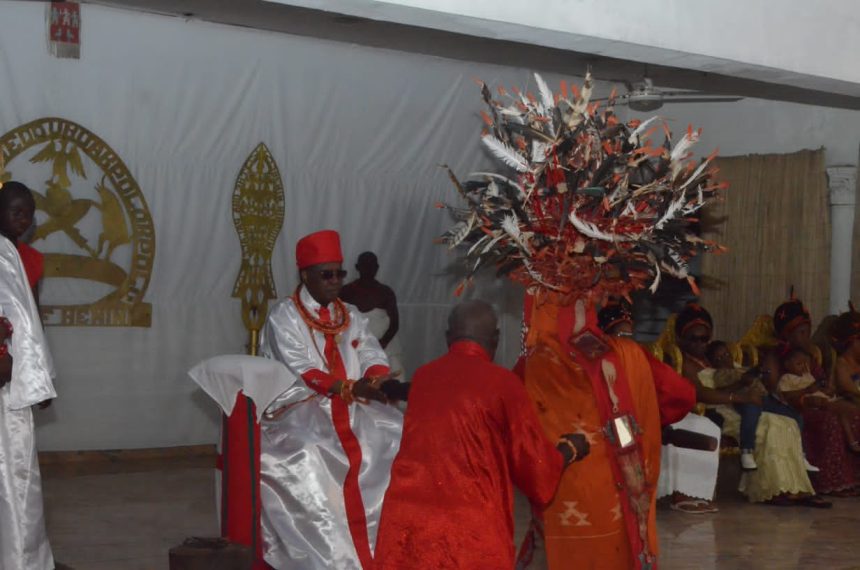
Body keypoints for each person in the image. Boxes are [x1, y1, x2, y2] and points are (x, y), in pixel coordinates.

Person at [374, 300, 589, 569]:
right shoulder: (504, 384)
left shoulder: (424, 376)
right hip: (470, 527)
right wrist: (569, 449)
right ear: (496, 339)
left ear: (448, 337)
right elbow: (536, 469)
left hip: (408, 520)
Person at [259, 229, 405, 570]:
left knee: (398, 434)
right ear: (305, 275)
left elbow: (369, 349)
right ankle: (329, 550)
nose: (336, 281)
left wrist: (376, 377)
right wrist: (347, 389)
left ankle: (386, 542)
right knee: (309, 451)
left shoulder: (350, 313)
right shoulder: (284, 316)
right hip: (298, 407)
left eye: (340, 273)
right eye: (327, 274)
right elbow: (303, 369)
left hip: (354, 402)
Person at [517, 294, 696, 570]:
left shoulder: (535, 361)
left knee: (555, 551)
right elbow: (681, 395)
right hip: (617, 484)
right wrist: (644, 418)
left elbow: (507, 419)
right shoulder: (625, 352)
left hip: (559, 484)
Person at [698, 340, 825, 506]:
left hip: (763, 402)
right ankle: (773, 488)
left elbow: (763, 384)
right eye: (719, 357)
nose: (724, 359)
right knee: (772, 426)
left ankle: (797, 480)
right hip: (740, 407)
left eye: (726, 354)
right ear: (712, 362)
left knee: (790, 419)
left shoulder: (741, 368)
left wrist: (758, 373)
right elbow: (723, 392)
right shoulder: (718, 373)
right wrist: (743, 383)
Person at [764, 294, 860, 496]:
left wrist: (826, 389)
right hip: (793, 410)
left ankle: (853, 479)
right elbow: (777, 394)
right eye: (801, 332)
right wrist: (808, 395)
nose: (806, 337)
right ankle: (831, 482)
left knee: (855, 415)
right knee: (831, 420)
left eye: (807, 332)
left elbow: (822, 382)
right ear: (786, 334)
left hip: (818, 402)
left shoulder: (810, 356)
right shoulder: (774, 358)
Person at [0, 235, 57, 569]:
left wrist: (30, 369)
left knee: (14, 481)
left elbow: (23, 313)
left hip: (6, 393)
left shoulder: (6, 250)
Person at [661, 304, 725, 513]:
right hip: (675, 411)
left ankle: (700, 494)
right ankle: (682, 495)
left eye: (704, 339)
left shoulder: (711, 358)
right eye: (693, 338)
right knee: (701, 428)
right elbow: (695, 393)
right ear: (681, 338)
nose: (699, 343)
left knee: (708, 427)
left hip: (702, 411)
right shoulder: (676, 359)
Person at [778, 347, 860, 452]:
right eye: (799, 364)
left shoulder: (807, 375)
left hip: (823, 397)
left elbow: (817, 389)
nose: (803, 367)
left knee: (850, 408)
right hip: (810, 401)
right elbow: (785, 395)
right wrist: (808, 390)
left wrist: (826, 390)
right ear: (787, 365)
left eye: (804, 364)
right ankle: (852, 442)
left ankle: (854, 439)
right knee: (841, 412)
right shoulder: (786, 378)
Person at [340, 252, 404, 377]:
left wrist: (381, 344)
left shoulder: (386, 292)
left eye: (372, 266)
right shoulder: (345, 292)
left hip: (386, 349)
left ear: (377, 268)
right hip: (354, 347)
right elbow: (339, 320)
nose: (369, 269)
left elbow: (395, 324)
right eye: (365, 266)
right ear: (357, 267)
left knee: (391, 382)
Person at [0, 182, 44, 299]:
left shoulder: (32, 258)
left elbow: (32, 309)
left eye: (29, 214)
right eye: (17, 213)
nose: (24, 220)